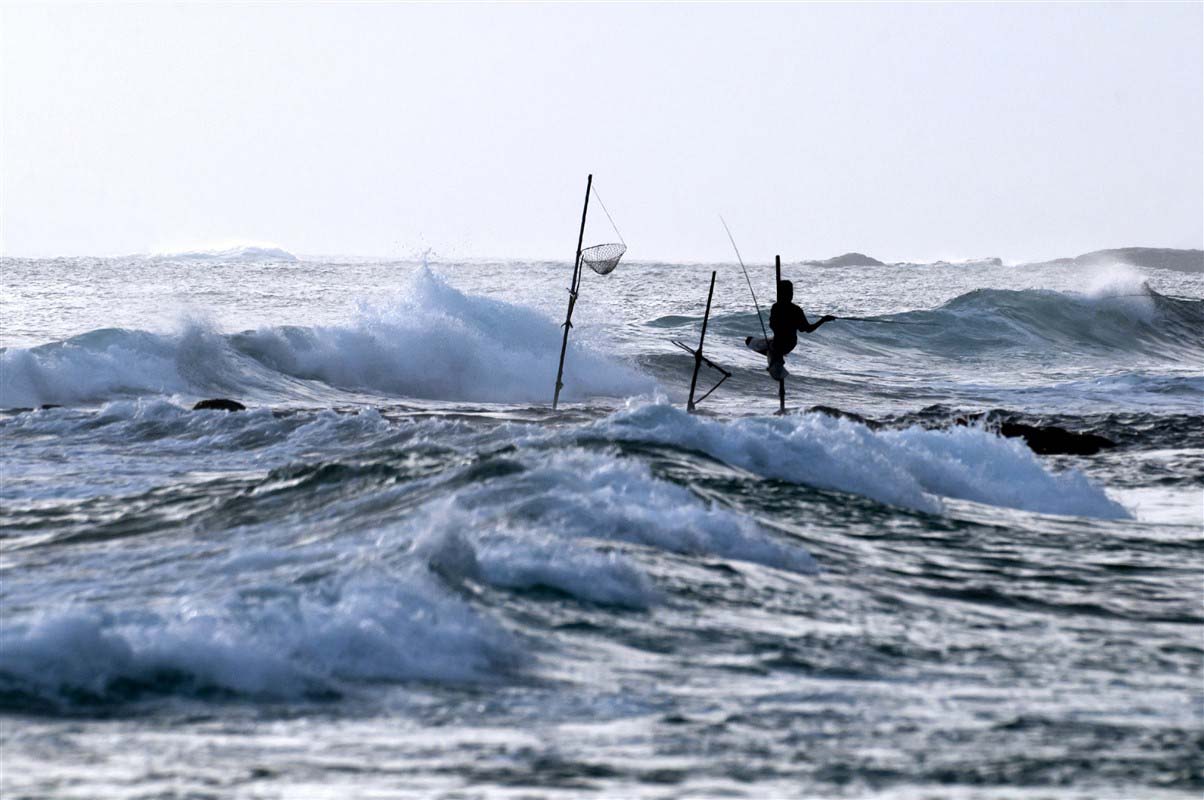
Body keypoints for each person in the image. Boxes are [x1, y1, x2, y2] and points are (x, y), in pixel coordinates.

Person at [746, 279, 836, 380]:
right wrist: (823, 320)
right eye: (788, 293)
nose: (791, 295)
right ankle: (774, 356)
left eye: (791, 292)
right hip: (780, 342)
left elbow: (806, 329)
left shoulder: (784, 308)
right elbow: (807, 329)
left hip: (784, 344)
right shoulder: (783, 308)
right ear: (782, 293)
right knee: (749, 341)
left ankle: (775, 359)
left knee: (771, 349)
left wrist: (823, 320)